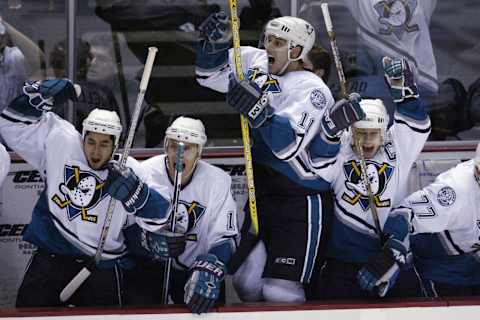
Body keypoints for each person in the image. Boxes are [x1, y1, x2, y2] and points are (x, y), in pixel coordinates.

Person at [195, 12, 364, 302]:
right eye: (268, 39)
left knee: (280, 291)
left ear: (296, 51)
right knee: (246, 283)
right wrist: (213, 44)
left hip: (300, 200)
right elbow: (208, 75)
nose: (268, 46)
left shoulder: (313, 90)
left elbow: (288, 147)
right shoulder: (254, 60)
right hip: (262, 191)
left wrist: (258, 110)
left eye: (278, 42)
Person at [0, 79, 173, 307]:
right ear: (83, 136)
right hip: (52, 257)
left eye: (104, 144)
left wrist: (137, 195)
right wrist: (38, 99)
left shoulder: (130, 170)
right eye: (91, 142)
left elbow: (162, 215)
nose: (95, 151)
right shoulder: (62, 142)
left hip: (103, 265)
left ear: (116, 144)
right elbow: (11, 125)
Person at [309, 57, 431, 300]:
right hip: (342, 262)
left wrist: (404, 90)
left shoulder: (397, 149)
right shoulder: (342, 148)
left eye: (372, 134)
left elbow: (417, 123)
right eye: (359, 133)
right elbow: (318, 165)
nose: (365, 141)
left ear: (384, 133)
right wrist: (331, 128)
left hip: (391, 257)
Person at [123, 116, 238, 314]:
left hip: (196, 271)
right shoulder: (145, 172)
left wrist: (211, 265)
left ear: (199, 153)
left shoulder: (217, 181)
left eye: (188, 148)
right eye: (174, 146)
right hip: (151, 269)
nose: (179, 154)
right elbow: (126, 226)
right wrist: (146, 242)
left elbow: (226, 237)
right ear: (166, 147)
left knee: (207, 292)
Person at [376, 142, 480, 297]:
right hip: (443, 275)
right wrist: (390, 256)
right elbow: (403, 216)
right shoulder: (455, 191)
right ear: (478, 170)